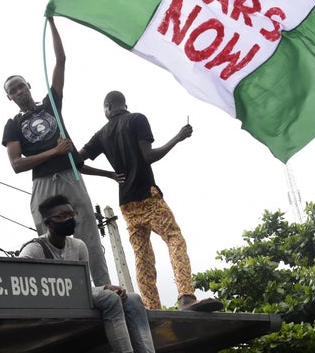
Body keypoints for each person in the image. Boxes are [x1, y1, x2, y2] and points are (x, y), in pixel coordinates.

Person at [79, 91, 223, 312]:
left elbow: (76, 161)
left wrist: (108, 174)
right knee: (174, 238)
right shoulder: (137, 119)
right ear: (123, 104)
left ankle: (151, 308)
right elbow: (148, 156)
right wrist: (178, 137)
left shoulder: (102, 134)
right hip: (148, 197)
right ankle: (186, 297)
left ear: (107, 107)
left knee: (142, 257)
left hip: (127, 204)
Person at [2, 17, 114, 287]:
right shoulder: (13, 125)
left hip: (69, 176)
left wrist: (51, 22)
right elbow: (17, 164)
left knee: (87, 231)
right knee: (47, 238)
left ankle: (103, 287)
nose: (18, 91)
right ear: (9, 98)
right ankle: (59, 291)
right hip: (42, 182)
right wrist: (54, 151)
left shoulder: (51, 104)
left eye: (20, 85)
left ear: (28, 85)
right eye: (12, 90)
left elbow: (61, 60)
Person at [19, 195, 154, 353]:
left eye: (71, 214)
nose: (69, 219)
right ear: (48, 223)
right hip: (51, 304)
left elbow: (82, 286)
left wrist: (104, 287)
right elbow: (21, 285)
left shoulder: (78, 246)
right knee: (110, 298)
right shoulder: (34, 249)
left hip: (77, 297)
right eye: (62, 216)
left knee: (133, 299)